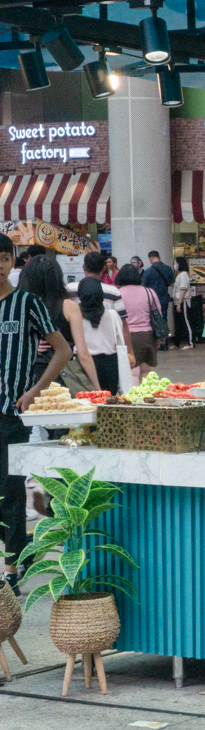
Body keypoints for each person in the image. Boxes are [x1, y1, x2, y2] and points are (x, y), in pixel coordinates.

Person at [0, 234, 71, 593]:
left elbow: (63, 351)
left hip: (10, 412)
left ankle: (11, 566)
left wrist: (33, 391)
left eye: (3, 258)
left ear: (13, 262)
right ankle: (21, 549)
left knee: (9, 488)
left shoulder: (26, 303)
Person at [19, 255, 101, 393]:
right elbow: (83, 353)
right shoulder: (69, 306)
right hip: (63, 374)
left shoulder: (21, 305)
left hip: (29, 374)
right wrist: (97, 388)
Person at [77, 277, 132, 396]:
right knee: (108, 403)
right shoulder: (113, 315)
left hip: (82, 366)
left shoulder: (75, 317)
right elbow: (118, 339)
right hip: (110, 366)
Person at [117, 264, 162, 382]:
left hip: (127, 336)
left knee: (133, 373)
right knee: (146, 371)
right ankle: (146, 397)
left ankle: (135, 398)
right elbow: (159, 316)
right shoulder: (149, 292)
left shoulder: (118, 293)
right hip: (148, 335)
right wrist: (159, 337)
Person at [66, 251, 125, 316]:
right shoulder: (114, 292)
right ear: (104, 268)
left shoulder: (70, 289)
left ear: (84, 267)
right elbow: (122, 322)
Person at [143, 250, 174, 346]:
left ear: (150, 259)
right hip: (164, 298)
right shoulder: (168, 268)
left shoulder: (148, 271)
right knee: (163, 320)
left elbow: (143, 286)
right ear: (159, 257)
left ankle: (155, 343)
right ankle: (164, 343)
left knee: (152, 321)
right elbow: (172, 283)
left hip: (152, 300)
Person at [171, 255, 195, 350]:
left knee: (186, 322)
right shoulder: (180, 275)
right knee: (179, 323)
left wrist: (180, 303)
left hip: (183, 301)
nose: (175, 265)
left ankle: (191, 343)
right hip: (178, 301)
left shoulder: (184, 274)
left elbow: (183, 289)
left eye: (176, 263)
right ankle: (177, 343)